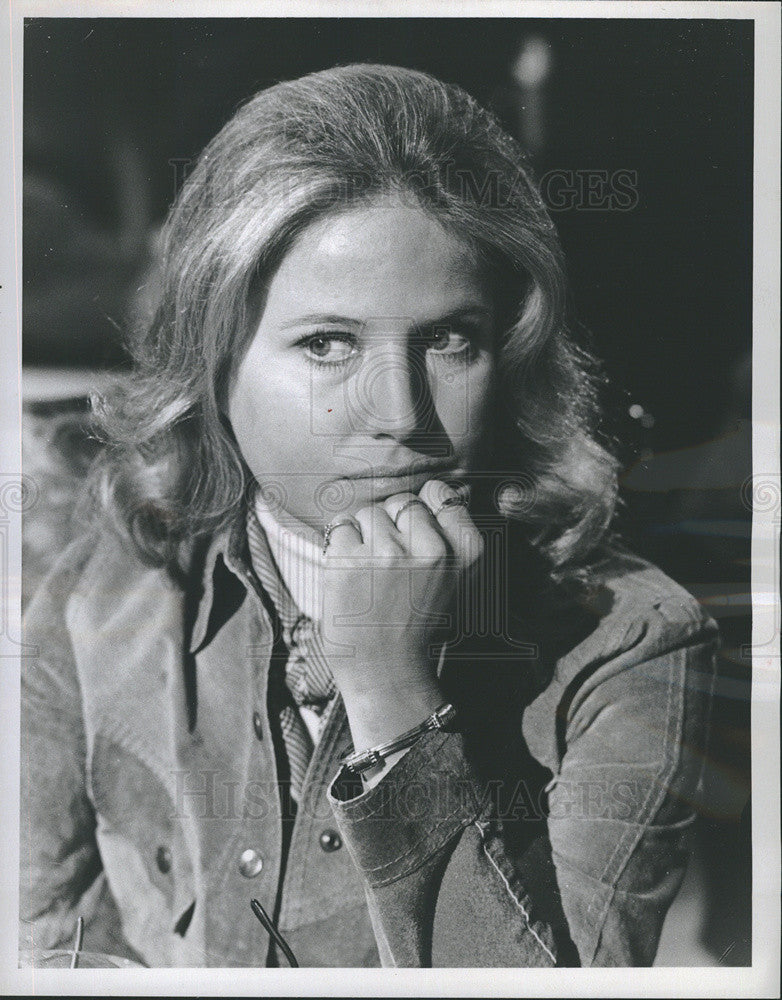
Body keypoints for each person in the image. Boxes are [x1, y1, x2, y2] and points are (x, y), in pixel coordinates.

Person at [20, 64, 718, 968]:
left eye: (448, 339)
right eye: (327, 343)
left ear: (509, 356)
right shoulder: (105, 580)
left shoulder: (630, 643)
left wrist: (394, 696)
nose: (401, 411)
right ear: (213, 359)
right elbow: (38, 930)